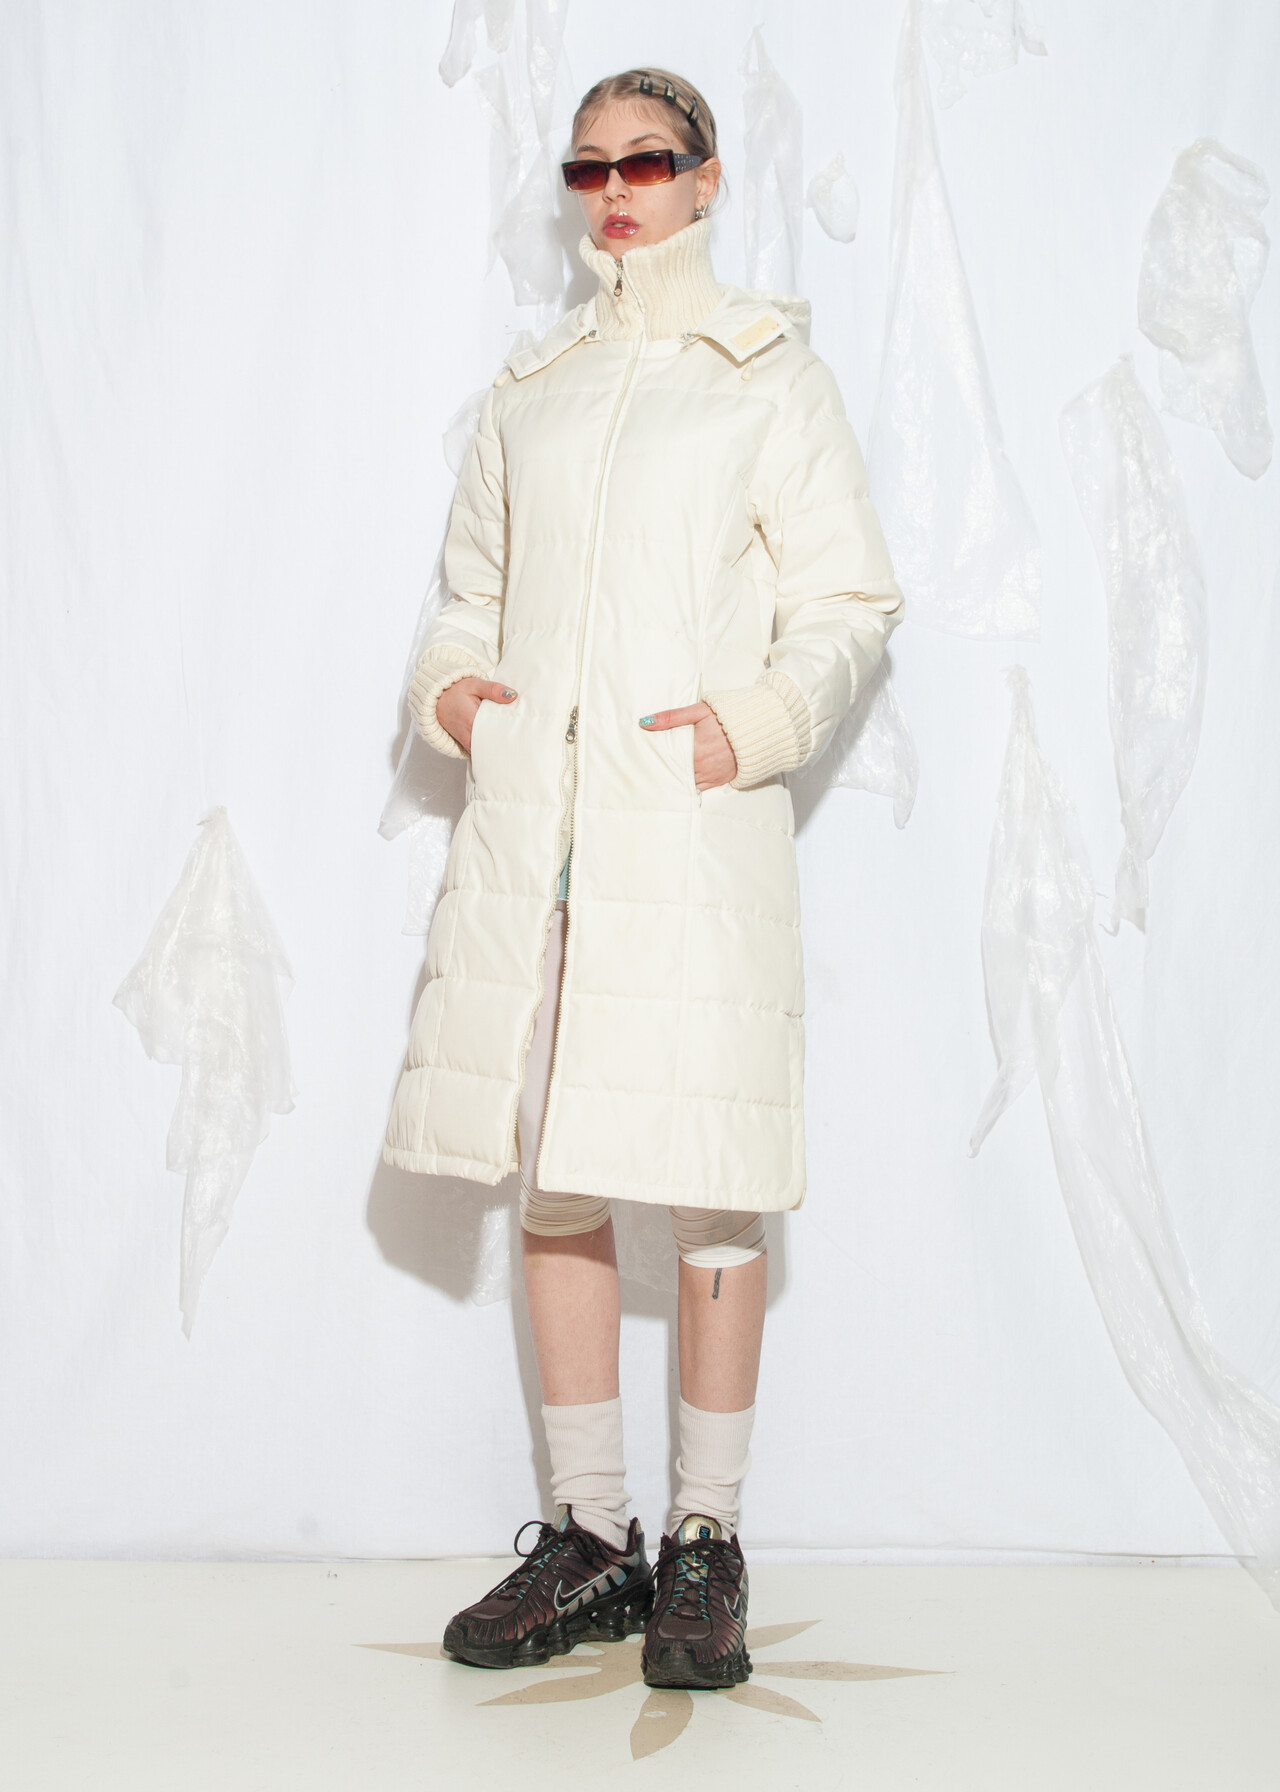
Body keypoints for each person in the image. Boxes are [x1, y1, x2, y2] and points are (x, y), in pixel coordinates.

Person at [382, 65, 904, 1690]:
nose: (616, 191)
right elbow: (466, 600)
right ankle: (591, 1535)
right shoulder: (528, 394)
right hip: (535, 846)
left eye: (648, 161)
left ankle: (705, 1541)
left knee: (710, 1183)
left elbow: (851, 604)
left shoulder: (770, 378)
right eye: (589, 167)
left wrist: (751, 729)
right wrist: (454, 699)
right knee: (556, 1173)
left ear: (707, 178)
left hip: (685, 836)